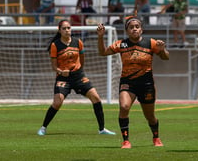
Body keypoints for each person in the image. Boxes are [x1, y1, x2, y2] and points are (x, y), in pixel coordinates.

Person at [97, 16, 170, 149]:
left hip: (146, 84)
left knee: (150, 116)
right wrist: (101, 37)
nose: (134, 29)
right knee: (124, 107)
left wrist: (162, 49)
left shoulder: (151, 43)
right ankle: (126, 141)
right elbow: (102, 52)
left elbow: (166, 57)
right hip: (128, 83)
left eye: (137, 27)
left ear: (141, 29)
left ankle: (156, 137)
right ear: (127, 31)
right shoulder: (121, 44)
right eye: (131, 27)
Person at [37, 19, 115, 136]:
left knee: (96, 98)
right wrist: (61, 71)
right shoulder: (55, 45)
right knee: (57, 102)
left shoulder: (78, 42)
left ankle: (102, 129)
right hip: (63, 78)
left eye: (68, 28)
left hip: (78, 76)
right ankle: (43, 128)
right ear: (59, 30)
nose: (67, 30)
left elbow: (82, 60)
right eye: (64, 28)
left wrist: (78, 71)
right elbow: (54, 66)